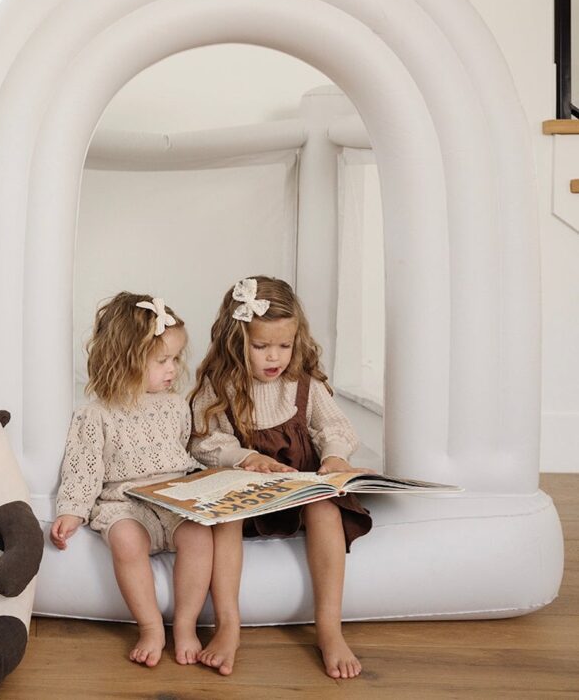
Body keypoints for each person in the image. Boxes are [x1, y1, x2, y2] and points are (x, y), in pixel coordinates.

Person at [190, 276, 373, 679]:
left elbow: (336, 428)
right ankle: (228, 626)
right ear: (236, 342)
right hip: (248, 497)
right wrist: (245, 456)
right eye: (261, 346)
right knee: (224, 518)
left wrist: (335, 458)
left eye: (284, 346)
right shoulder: (220, 386)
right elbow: (202, 441)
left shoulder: (302, 382)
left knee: (325, 506)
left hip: (299, 492)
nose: (274, 357)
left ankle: (328, 628)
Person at [51, 292, 212, 668]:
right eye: (162, 361)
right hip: (124, 502)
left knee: (200, 534)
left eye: (175, 359)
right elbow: (82, 468)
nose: (173, 369)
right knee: (125, 538)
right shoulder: (95, 414)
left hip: (173, 499)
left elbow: (189, 454)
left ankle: (185, 626)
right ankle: (151, 626)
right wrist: (73, 511)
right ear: (125, 360)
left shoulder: (176, 405)